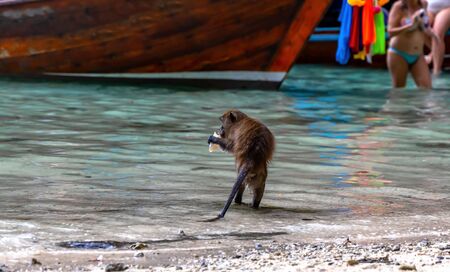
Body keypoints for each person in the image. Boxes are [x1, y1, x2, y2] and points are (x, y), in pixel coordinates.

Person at [387, 0, 440, 88]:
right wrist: (410, 25)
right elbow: (390, 32)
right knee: (399, 91)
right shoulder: (398, 6)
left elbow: (423, 28)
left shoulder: (424, 4)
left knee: (427, 90)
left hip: (418, 55)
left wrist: (432, 48)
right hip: (399, 53)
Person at [426, 0, 450, 75]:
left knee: (437, 33)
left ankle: (436, 71)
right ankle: (434, 52)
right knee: (419, 27)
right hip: (429, 7)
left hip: (447, 7)